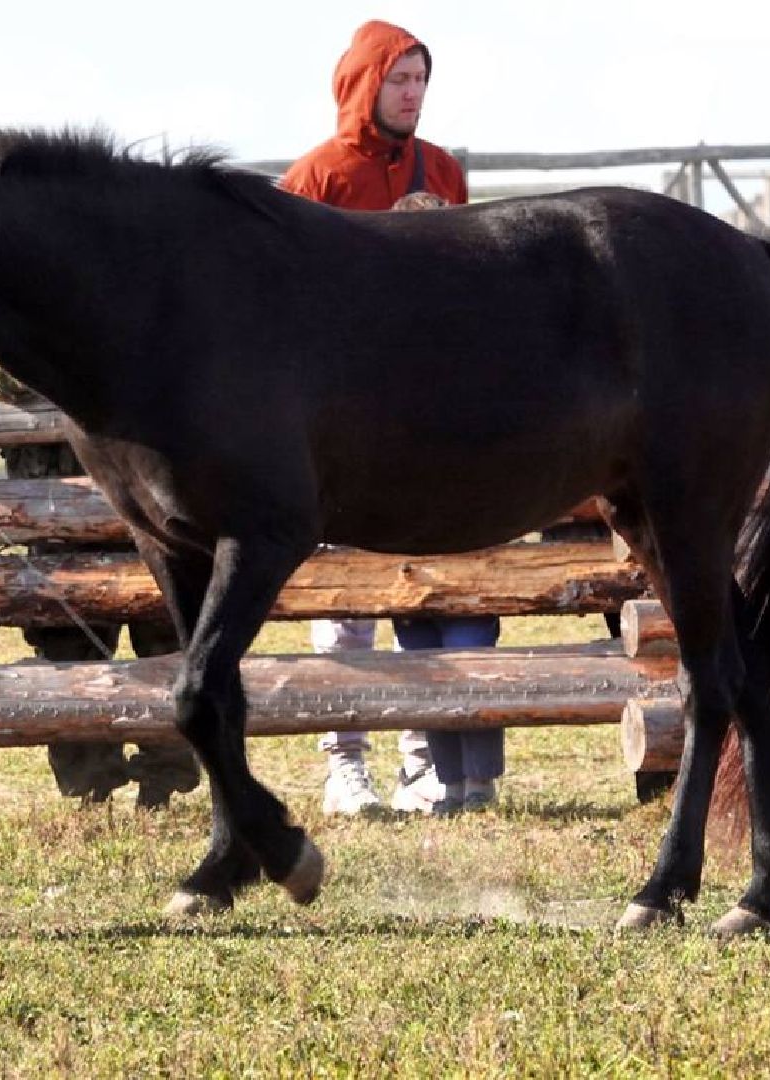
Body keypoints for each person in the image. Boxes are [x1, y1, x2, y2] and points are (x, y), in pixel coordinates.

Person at [280, 18, 501, 817]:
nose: (410, 94)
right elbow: (275, 293)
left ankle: (424, 764)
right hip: (338, 421)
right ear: (363, 84)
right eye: (397, 79)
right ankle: (345, 764)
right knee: (343, 604)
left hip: (427, 414)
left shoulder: (440, 168)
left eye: (419, 80)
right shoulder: (316, 176)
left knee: (420, 586)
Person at [0, 344, 202, 808]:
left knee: (165, 629)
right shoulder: (13, 298)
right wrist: (28, 368)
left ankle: (164, 777)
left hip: (145, 482)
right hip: (51, 495)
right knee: (66, 641)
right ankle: (91, 783)